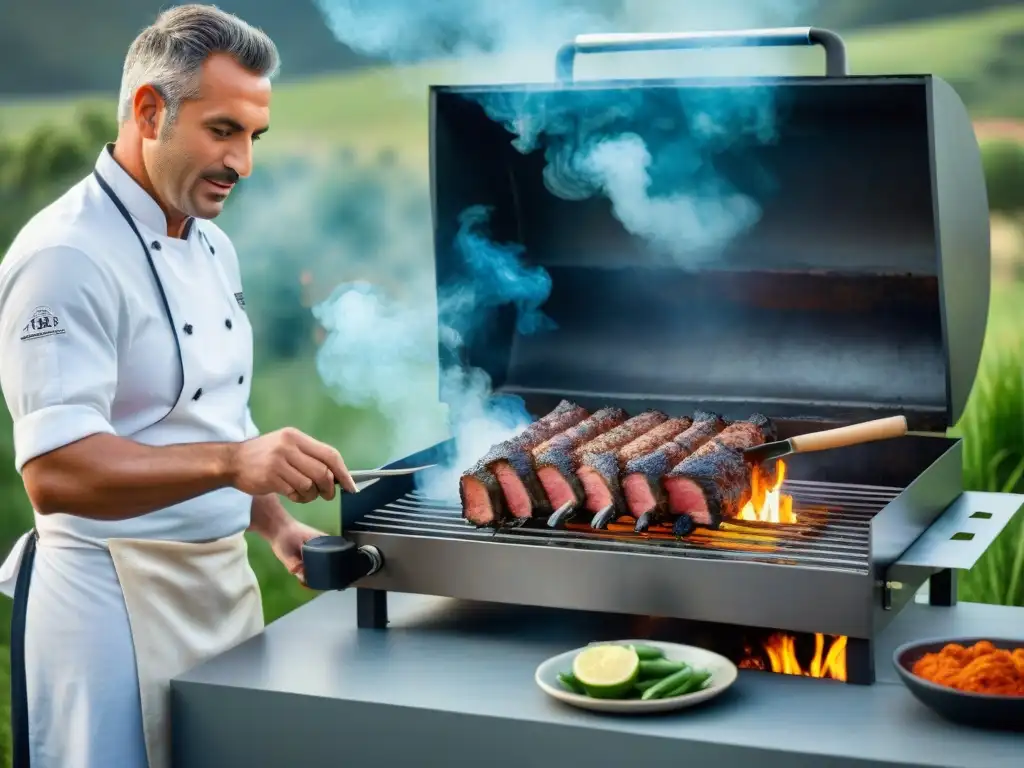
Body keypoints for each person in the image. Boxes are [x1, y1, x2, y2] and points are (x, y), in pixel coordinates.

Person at [0, 5, 360, 768]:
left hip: (221, 585)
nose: (243, 164)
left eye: (254, 136)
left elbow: (213, 414)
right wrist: (233, 466)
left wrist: (273, 523)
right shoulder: (65, 255)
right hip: (107, 603)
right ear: (148, 109)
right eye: (222, 130)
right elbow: (55, 473)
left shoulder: (213, 246)